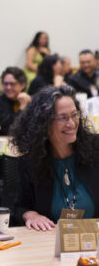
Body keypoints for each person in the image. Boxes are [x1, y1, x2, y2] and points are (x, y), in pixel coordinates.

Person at [11, 85, 99, 231]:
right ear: (44, 124)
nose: (71, 123)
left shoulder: (95, 149)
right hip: (51, 244)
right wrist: (30, 215)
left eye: (74, 115)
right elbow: (18, 206)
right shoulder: (31, 162)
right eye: (62, 118)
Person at [0, 67, 31, 135]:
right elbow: (6, 129)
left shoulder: (29, 101)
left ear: (22, 85)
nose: (8, 87)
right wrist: (21, 109)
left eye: (12, 84)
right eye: (5, 84)